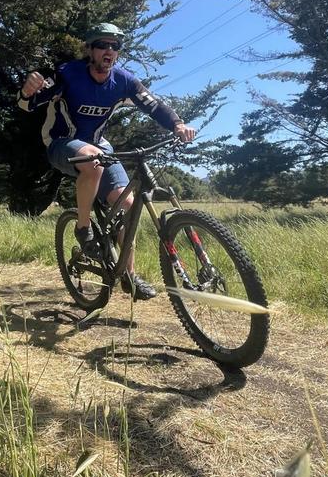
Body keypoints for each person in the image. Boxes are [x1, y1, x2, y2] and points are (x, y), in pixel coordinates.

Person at [17, 22, 196, 300]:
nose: (109, 50)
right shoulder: (68, 74)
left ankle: (129, 276)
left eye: (115, 46)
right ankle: (83, 229)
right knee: (92, 159)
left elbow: (154, 105)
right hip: (62, 144)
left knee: (127, 204)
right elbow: (29, 104)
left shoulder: (123, 81)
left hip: (101, 147)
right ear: (90, 50)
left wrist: (177, 124)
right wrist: (27, 92)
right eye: (102, 44)